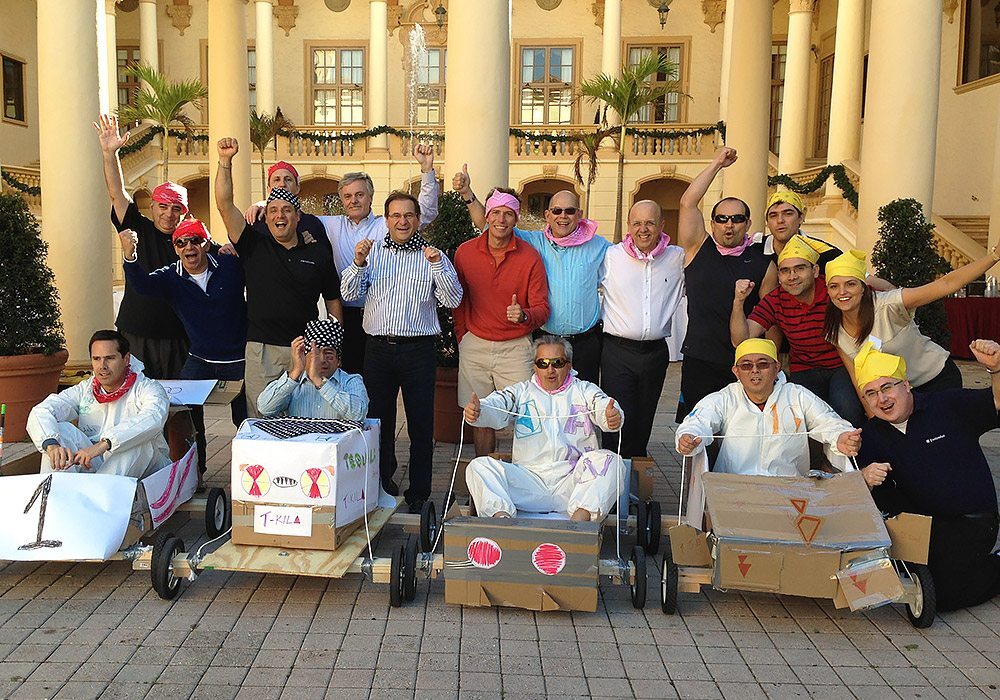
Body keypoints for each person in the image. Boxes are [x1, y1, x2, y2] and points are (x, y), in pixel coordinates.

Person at [855, 341, 1000, 611]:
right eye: (871, 394)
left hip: (972, 523)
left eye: (887, 387)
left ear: (906, 384)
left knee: (942, 593)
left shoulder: (947, 404)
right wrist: (864, 476)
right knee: (926, 578)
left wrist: (996, 370)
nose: (882, 399)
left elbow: (996, 402)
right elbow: (864, 493)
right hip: (921, 528)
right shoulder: (872, 433)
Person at [341, 191, 463, 511]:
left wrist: (437, 266)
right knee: (378, 421)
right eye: (395, 215)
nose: (402, 221)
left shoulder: (432, 255)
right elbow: (349, 293)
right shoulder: (372, 252)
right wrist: (357, 263)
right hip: (378, 349)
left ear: (418, 219)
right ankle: (382, 483)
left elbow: (453, 300)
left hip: (419, 350)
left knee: (421, 424)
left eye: (408, 215)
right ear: (386, 220)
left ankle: (419, 492)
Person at [214, 137, 343, 418]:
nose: (279, 215)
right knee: (262, 420)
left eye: (286, 210)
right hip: (262, 352)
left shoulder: (318, 252)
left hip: (306, 349)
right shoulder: (253, 245)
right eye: (273, 210)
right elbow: (224, 204)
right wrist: (225, 162)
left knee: (304, 419)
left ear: (298, 215)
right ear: (266, 216)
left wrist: (334, 346)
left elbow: (333, 300)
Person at [120, 219, 248, 479]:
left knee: (246, 421)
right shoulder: (170, 276)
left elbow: (259, 265)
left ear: (206, 243)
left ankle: (250, 475)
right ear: (175, 248)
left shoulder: (230, 265)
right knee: (179, 413)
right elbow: (142, 286)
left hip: (239, 358)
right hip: (200, 358)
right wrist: (129, 255)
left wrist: (237, 248)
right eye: (181, 242)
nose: (189, 247)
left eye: (195, 240)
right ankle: (190, 475)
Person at [455, 167, 607, 382]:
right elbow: (492, 225)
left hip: (585, 343)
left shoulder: (599, 246)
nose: (562, 216)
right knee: (543, 405)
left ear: (579, 215)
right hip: (544, 339)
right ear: (547, 215)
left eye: (570, 211)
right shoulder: (534, 242)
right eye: (556, 211)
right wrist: (467, 194)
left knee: (581, 406)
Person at [462, 336, 625, 521]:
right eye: (543, 363)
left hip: (573, 484)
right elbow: (498, 404)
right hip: (530, 482)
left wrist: (611, 416)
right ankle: (503, 524)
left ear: (569, 366)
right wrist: (479, 411)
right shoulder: (522, 392)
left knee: (613, 461)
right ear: (534, 367)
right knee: (479, 466)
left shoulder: (584, 389)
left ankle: (580, 524)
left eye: (557, 362)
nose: (550, 370)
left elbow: (603, 405)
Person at [313, 146, 439, 374]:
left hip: (377, 322)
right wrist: (259, 208)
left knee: (375, 390)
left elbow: (426, 212)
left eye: (360, 195)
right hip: (344, 318)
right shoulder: (330, 225)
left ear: (370, 197)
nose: (354, 200)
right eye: (348, 196)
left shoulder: (385, 225)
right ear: (341, 199)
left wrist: (427, 170)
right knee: (346, 381)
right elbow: (293, 218)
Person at [675, 146, 777, 421]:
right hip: (700, 358)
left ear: (748, 223)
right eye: (721, 219)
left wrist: (775, 363)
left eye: (736, 219)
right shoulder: (698, 247)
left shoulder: (763, 264)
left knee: (742, 431)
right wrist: (717, 163)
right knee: (698, 430)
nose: (728, 225)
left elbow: (771, 321)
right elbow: (687, 203)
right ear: (713, 222)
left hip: (746, 362)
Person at [824, 246, 1000, 400]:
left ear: (863, 287)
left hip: (936, 380)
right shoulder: (834, 328)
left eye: (850, 284)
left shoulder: (889, 305)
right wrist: (874, 420)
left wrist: (994, 255)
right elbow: (858, 380)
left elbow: (946, 283)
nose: (842, 292)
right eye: (834, 286)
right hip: (896, 396)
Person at [453, 188, 550, 457]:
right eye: (496, 212)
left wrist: (524, 315)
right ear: (487, 215)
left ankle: (527, 479)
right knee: (480, 416)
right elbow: (458, 302)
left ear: (516, 219)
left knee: (526, 417)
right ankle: (485, 478)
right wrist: (463, 336)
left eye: (508, 214)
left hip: (516, 347)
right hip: (475, 345)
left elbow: (543, 308)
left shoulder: (530, 257)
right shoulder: (465, 253)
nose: (501, 220)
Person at [94, 113, 190, 379]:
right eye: (163, 207)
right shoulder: (138, 226)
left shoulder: (192, 241)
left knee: (182, 410)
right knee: (134, 403)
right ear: (153, 206)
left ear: (184, 212)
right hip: (135, 336)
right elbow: (117, 192)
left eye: (176, 209)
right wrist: (109, 153)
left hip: (178, 339)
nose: (169, 214)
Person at [675, 339, 861, 476]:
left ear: (777, 367)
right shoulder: (725, 398)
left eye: (763, 364)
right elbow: (697, 422)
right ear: (736, 372)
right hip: (734, 490)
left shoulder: (797, 395)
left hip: (789, 491)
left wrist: (841, 437)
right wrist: (688, 437)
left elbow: (829, 422)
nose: (755, 370)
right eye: (746, 365)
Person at [731, 235, 863, 426]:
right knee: (800, 420)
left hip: (840, 365)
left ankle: (851, 455)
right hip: (804, 367)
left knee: (847, 411)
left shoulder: (833, 289)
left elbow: (867, 292)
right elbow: (740, 340)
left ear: (815, 270)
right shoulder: (776, 299)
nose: (792, 277)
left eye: (799, 268)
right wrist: (738, 302)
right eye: (785, 271)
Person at [598, 200, 685, 458]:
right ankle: (612, 479)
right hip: (617, 351)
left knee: (645, 418)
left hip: (655, 352)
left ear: (662, 225)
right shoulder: (611, 256)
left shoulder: (677, 257)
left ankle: (635, 480)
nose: (643, 229)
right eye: (637, 223)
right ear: (628, 226)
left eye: (649, 223)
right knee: (616, 417)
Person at [27, 330, 171, 478]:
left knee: (136, 442)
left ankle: (100, 495)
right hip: (96, 463)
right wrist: (51, 445)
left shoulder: (147, 388)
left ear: (126, 359)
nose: (102, 366)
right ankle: (55, 496)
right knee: (61, 431)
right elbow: (42, 410)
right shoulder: (85, 389)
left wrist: (104, 444)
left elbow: (153, 418)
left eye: (110, 358)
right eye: (96, 359)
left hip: (145, 468)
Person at [257, 318, 367, 421]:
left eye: (329, 354)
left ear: (338, 361)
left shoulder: (351, 381)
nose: (322, 360)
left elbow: (358, 414)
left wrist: (319, 382)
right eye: (316, 354)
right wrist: (296, 371)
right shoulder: (293, 383)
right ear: (305, 357)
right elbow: (265, 408)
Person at [244, 160, 329, 250]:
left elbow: (324, 258)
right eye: (276, 180)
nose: (282, 184)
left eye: (288, 179)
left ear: (297, 188)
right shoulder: (255, 221)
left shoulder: (312, 223)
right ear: (269, 189)